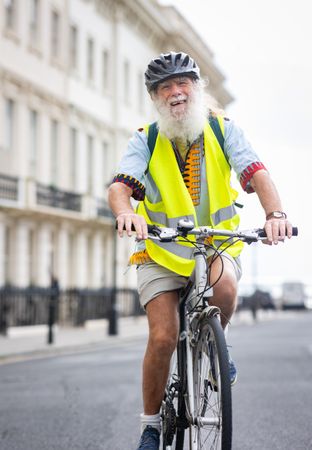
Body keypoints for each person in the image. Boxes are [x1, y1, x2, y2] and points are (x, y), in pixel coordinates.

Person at [108, 51, 293, 450]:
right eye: (165, 88)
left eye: (182, 84)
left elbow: (257, 172)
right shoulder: (146, 138)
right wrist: (126, 214)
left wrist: (275, 213)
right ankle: (151, 427)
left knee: (224, 286)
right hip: (159, 250)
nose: (175, 93)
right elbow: (120, 187)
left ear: (196, 88)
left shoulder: (223, 131)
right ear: (155, 97)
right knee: (163, 336)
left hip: (212, 245)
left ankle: (215, 344)